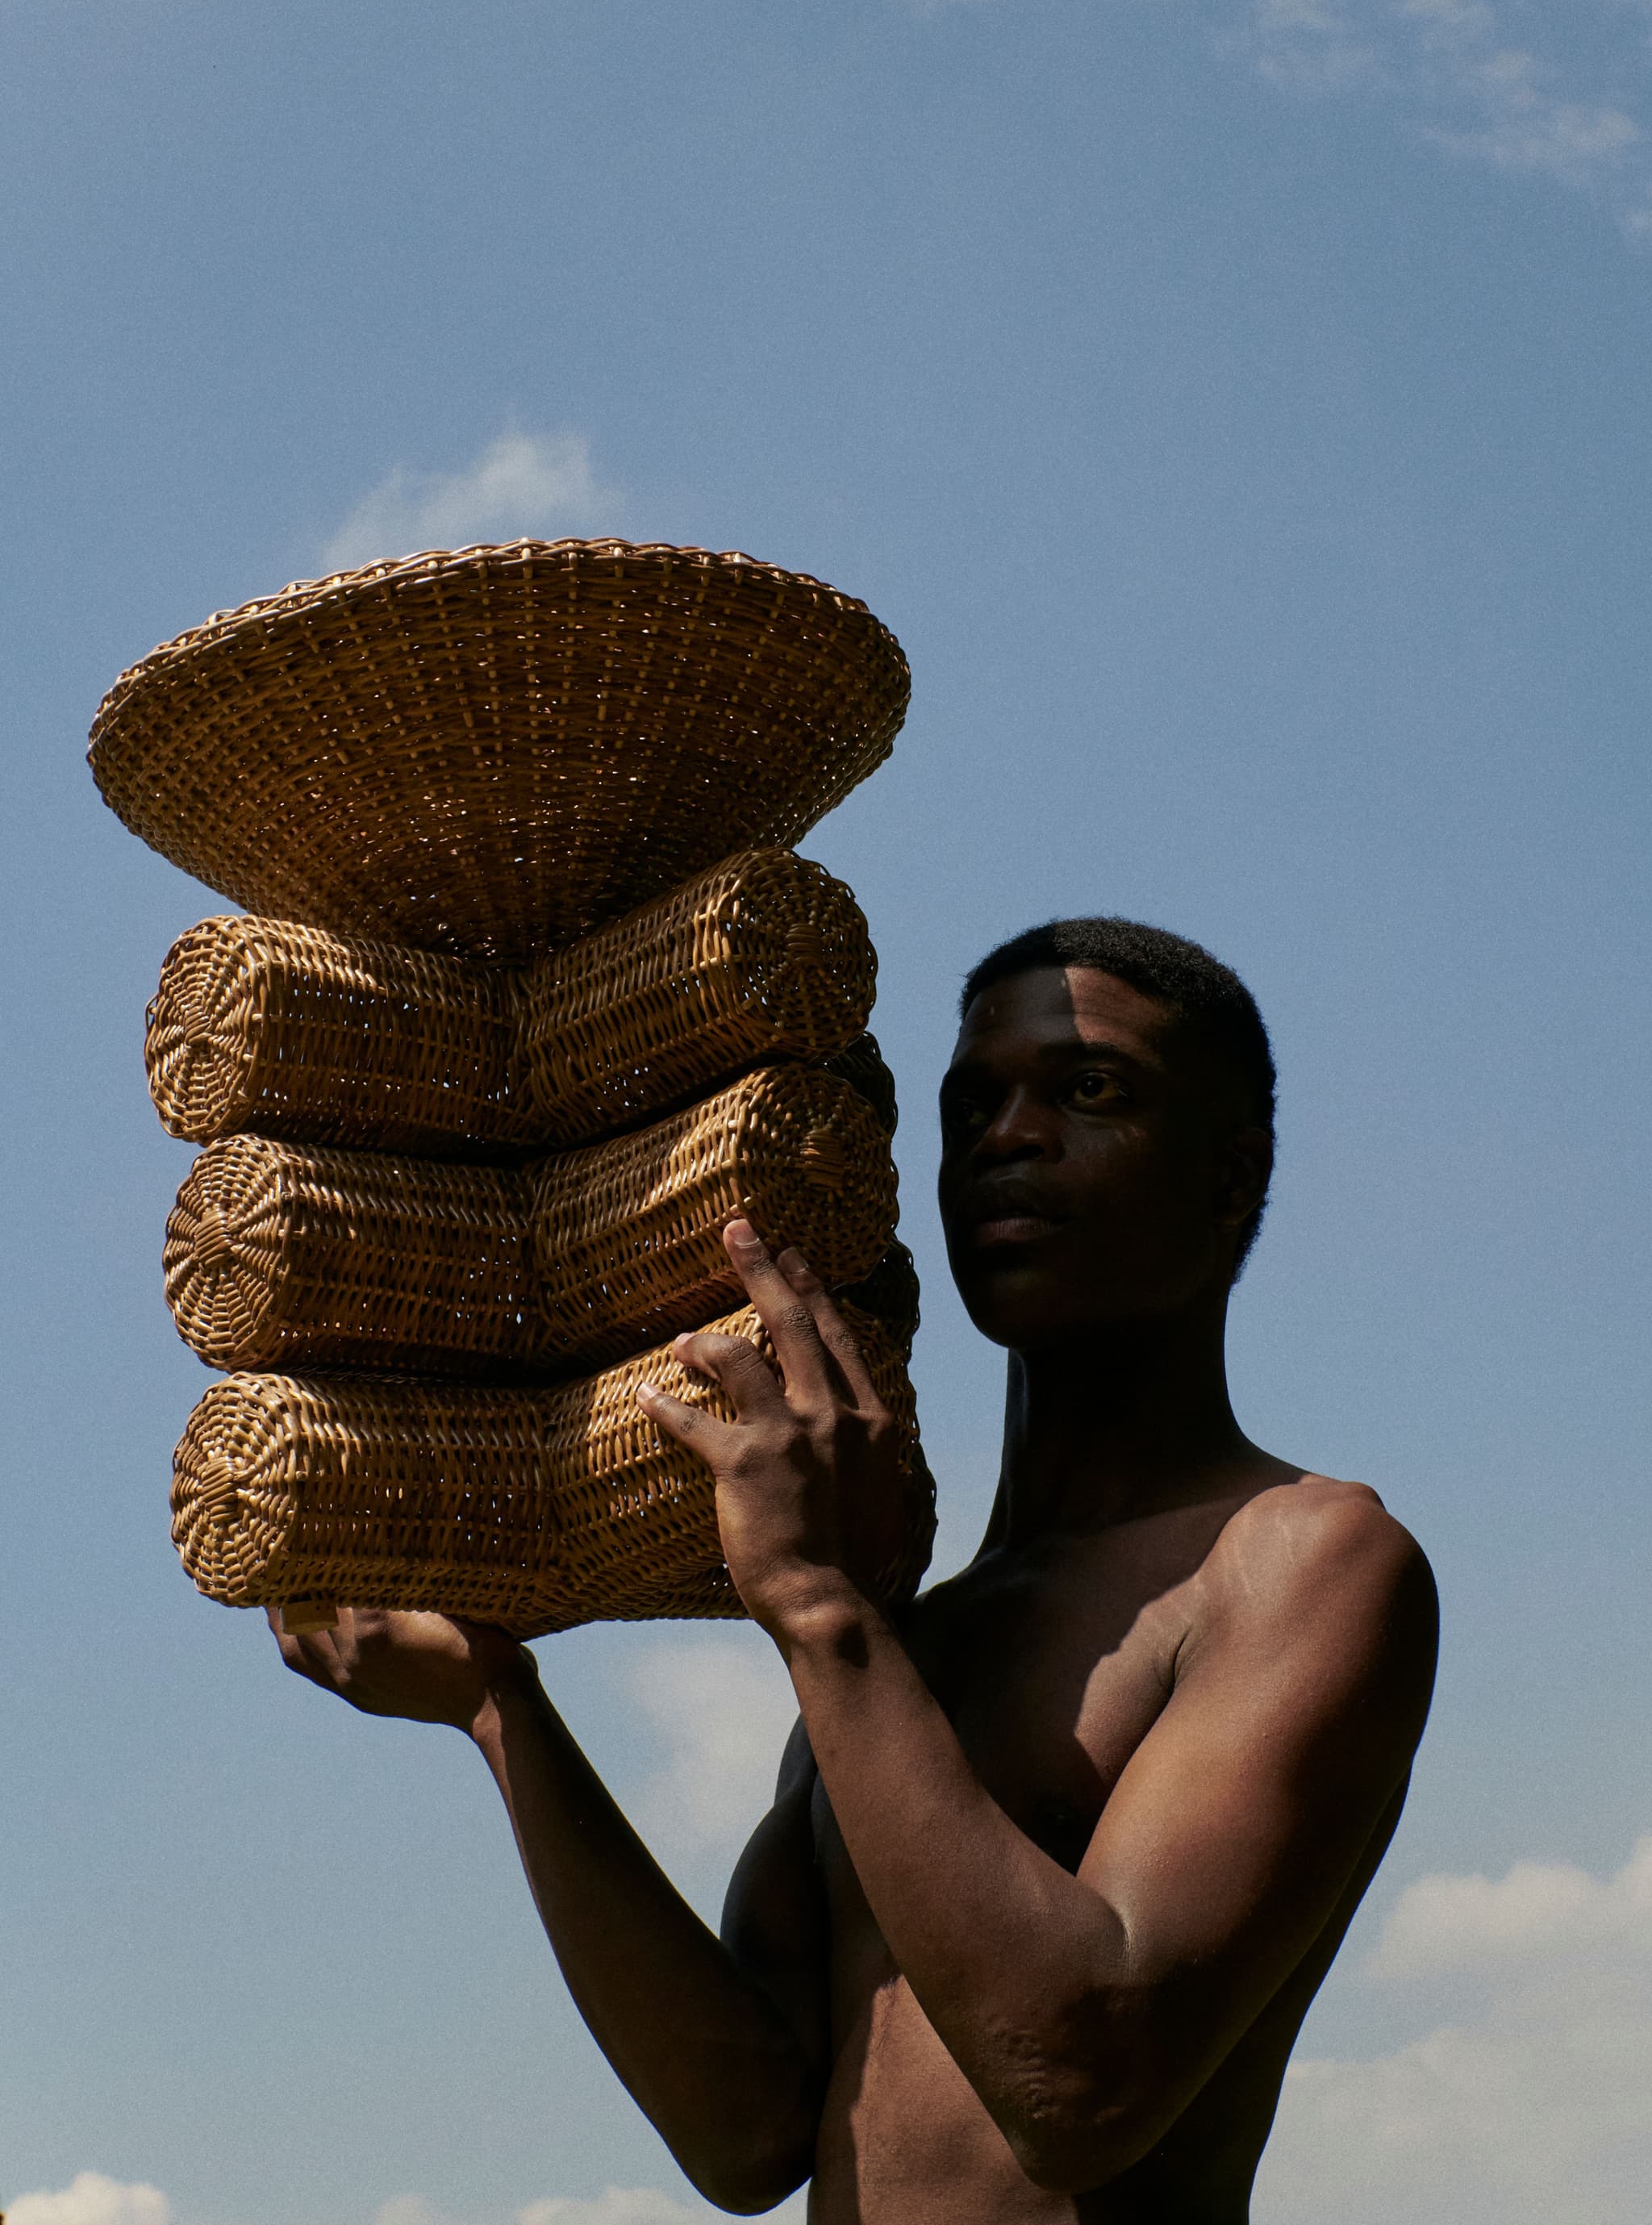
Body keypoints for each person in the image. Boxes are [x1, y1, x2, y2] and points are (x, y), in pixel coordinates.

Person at [271, 916, 1438, 2222]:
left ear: (1231, 1177)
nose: (1009, 1135)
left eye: (1088, 1090)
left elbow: (1079, 2090)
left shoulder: (1308, 1561)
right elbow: (748, 2135)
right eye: (973, 1104)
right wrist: (501, 1710)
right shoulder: (906, 1646)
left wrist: (816, 1607)